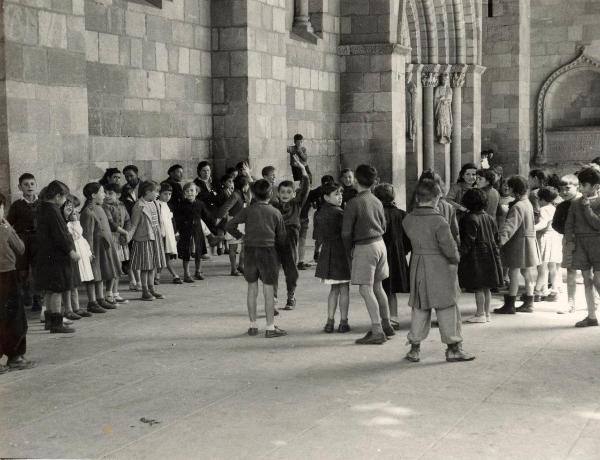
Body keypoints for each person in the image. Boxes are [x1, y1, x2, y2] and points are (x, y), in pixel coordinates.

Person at [403, 179, 474, 362]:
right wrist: (456, 259)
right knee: (447, 307)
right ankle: (453, 348)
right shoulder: (439, 221)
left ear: (418, 198)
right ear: (436, 198)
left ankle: (414, 349)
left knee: (420, 306)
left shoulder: (408, 219)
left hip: (418, 264)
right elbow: (450, 249)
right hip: (440, 266)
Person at [225, 179, 288, 338]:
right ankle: (270, 328)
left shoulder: (248, 210)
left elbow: (229, 225)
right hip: (269, 253)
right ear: (271, 194)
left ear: (252, 193)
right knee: (268, 291)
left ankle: (253, 326)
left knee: (252, 289)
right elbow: (281, 239)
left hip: (251, 253)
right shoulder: (275, 212)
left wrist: (242, 237)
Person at [342, 164, 393, 345]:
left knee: (365, 289)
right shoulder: (376, 200)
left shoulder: (353, 203)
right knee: (378, 286)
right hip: (380, 244)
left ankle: (377, 330)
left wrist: (349, 250)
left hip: (365, 247)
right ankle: (387, 324)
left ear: (355, 180)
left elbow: (346, 232)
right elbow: (384, 225)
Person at [34, 181, 78, 333]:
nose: (65, 200)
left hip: (45, 255)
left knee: (49, 290)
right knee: (57, 290)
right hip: (56, 256)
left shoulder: (42, 207)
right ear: (58, 196)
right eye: (64, 197)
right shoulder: (53, 210)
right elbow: (60, 234)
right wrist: (70, 251)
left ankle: (49, 321)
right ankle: (56, 324)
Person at [494, 176, 540, 315]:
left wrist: (500, 241)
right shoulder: (527, 203)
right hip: (528, 241)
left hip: (518, 243)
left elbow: (510, 226)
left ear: (515, 189)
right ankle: (529, 302)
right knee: (526, 272)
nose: (508, 189)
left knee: (513, 272)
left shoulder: (518, 206)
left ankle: (510, 304)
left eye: (510, 187)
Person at [458, 188, 503, 323]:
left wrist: (459, 254)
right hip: (490, 255)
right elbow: (496, 237)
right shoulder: (489, 218)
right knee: (486, 287)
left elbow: (469, 240)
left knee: (478, 287)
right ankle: (487, 314)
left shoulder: (469, 218)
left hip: (477, 257)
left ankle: (480, 314)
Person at [0, 191, 33, 371]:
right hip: (5, 276)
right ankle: (14, 356)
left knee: (13, 317)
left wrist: (8, 229)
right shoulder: (4, 229)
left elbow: (20, 249)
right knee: (9, 317)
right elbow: (20, 248)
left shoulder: (5, 229)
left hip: (9, 275)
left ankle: (15, 355)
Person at [272, 156, 310, 310]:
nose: (285, 194)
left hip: (290, 242)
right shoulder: (273, 205)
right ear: (278, 193)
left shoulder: (296, 204)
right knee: (272, 270)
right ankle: (272, 299)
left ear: (294, 194)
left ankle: (291, 296)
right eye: (282, 191)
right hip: (274, 241)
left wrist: (303, 169)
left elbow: (305, 188)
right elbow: (259, 192)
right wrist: (249, 178)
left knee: (291, 270)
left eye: (289, 192)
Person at [564, 167, 600, 328]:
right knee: (587, 280)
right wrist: (569, 242)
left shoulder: (597, 202)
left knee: (598, 280)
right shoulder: (575, 203)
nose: (580, 188)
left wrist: (587, 207)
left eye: (583, 185)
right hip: (580, 244)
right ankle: (591, 316)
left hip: (597, 244)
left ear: (595, 186)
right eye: (579, 184)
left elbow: (597, 224)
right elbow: (569, 224)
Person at [373, 183, 411, 331]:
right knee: (393, 289)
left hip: (382, 254)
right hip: (397, 255)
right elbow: (408, 238)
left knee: (381, 288)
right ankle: (394, 317)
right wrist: (404, 251)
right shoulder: (401, 214)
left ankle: (383, 318)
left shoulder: (378, 213)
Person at [314, 183, 351, 333]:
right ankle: (343, 322)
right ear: (326, 197)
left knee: (333, 290)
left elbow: (317, 236)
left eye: (341, 193)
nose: (340, 196)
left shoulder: (319, 212)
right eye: (336, 194)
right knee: (344, 289)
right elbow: (347, 234)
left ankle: (329, 322)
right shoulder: (340, 213)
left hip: (327, 253)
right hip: (340, 253)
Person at [81, 183, 123, 313]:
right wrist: (89, 251)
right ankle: (92, 302)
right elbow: (88, 234)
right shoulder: (88, 212)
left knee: (100, 273)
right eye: (102, 192)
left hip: (103, 247)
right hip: (95, 248)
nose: (104, 195)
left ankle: (100, 299)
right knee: (93, 275)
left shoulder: (99, 208)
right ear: (93, 195)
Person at [7, 173, 42, 311]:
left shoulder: (42, 203)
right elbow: (9, 224)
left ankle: (37, 298)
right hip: (22, 240)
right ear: (20, 187)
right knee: (22, 270)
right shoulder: (17, 205)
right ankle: (25, 293)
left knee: (38, 270)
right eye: (26, 184)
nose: (29, 187)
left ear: (36, 185)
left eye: (32, 184)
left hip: (39, 240)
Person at [128, 181, 166, 301]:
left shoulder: (154, 203)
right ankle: (144, 290)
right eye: (156, 191)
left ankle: (152, 289)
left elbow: (158, 221)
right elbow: (133, 225)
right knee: (145, 266)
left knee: (152, 265)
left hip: (155, 237)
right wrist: (128, 237)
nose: (158, 194)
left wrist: (161, 232)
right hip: (144, 239)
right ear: (148, 192)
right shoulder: (139, 206)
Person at [176, 182, 217, 282]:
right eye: (187, 191)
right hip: (186, 232)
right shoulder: (181, 204)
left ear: (196, 192)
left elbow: (207, 217)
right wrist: (177, 230)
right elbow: (177, 219)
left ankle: (198, 272)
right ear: (184, 193)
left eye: (192, 190)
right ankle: (186, 274)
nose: (189, 193)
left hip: (198, 232)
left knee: (199, 252)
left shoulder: (200, 204)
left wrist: (214, 226)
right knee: (186, 253)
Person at [552, 174, 581, 314]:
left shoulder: (585, 202)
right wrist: (568, 231)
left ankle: (595, 300)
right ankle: (571, 302)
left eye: (568, 188)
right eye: (561, 189)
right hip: (569, 240)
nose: (564, 192)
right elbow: (555, 224)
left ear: (577, 187)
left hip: (587, 240)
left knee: (592, 273)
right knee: (570, 270)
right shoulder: (562, 206)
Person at [63, 195, 93, 319]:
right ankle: (68, 309)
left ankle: (76, 307)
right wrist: (74, 221)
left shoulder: (74, 222)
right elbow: (75, 235)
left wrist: (88, 252)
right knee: (69, 284)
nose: (74, 212)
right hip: (70, 252)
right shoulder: (67, 224)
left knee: (74, 283)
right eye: (71, 209)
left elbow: (82, 237)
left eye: (75, 209)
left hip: (78, 252)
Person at [217, 175, 251, 276]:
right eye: (247, 184)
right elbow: (225, 207)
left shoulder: (243, 194)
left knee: (245, 246)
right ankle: (233, 269)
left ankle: (241, 266)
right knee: (233, 247)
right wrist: (219, 219)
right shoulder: (235, 195)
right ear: (244, 185)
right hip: (234, 223)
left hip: (243, 223)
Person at [102, 183, 131, 304]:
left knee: (118, 267)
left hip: (120, 237)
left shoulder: (121, 204)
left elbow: (127, 219)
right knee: (112, 267)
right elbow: (111, 224)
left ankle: (115, 293)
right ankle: (108, 293)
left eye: (110, 193)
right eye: (105, 193)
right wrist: (124, 232)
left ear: (118, 195)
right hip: (111, 237)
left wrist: (126, 233)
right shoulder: (105, 207)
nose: (107, 196)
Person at [533, 187, 562, 302]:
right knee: (552, 267)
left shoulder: (544, 209)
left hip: (546, 238)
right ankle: (554, 290)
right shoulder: (554, 208)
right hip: (554, 237)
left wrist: (531, 228)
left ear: (541, 199)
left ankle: (538, 290)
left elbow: (543, 224)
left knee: (542, 267)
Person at [156, 182, 182, 284]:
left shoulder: (168, 206)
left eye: (169, 194)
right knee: (162, 257)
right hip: (161, 234)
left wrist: (176, 233)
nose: (168, 196)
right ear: (159, 193)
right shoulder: (157, 204)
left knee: (166, 257)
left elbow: (172, 221)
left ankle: (158, 276)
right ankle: (173, 275)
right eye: (165, 194)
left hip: (169, 234)